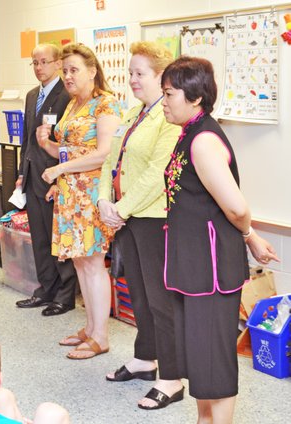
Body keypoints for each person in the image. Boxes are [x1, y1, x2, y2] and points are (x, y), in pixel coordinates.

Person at [160, 56, 278, 424]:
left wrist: (249, 235)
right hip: (192, 266)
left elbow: (237, 207)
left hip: (208, 270)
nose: (163, 101)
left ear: (195, 98)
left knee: (214, 360)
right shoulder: (189, 132)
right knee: (199, 356)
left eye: (169, 94)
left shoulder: (204, 141)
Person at [97, 41, 183, 409]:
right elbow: (108, 162)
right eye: (130, 72)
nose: (131, 79)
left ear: (161, 76)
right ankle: (145, 358)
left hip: (153, 218)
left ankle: (173, 377)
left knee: (161, 300)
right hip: (128, 217)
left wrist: (121, 208)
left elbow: (157, 173)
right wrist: (104, 200)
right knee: (138, 293)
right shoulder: (134, 115)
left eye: (139, 74)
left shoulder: (169, 118)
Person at [37, 43, 122, 360]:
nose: (68, 76)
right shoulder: (74, 105)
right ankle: (90, 327)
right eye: (65, 70)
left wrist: (60, 168)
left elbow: (103, 154)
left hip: (92, 195)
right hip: (71, 193)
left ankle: (101, 336)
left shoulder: (106, 105)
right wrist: (51, 154)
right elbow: (68, 151)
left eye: (74, 70)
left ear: (92, 71)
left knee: (94, 263)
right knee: (80, 262)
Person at [15, 43, 79, 317]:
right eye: (35, 63)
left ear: (57, 63)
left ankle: (65, 296)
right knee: (39, 238)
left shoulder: (67, 95)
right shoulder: (32, 96)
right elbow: (28, 138)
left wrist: (59, 177)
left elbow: (67, 142)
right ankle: (46, 288)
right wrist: (21, 172)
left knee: (58, 238)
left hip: (55, 177)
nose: (39, 68)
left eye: (44, 62)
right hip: (32, 175)